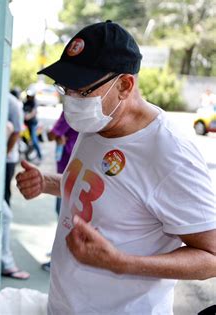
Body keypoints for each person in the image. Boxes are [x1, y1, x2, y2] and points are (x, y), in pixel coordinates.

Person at [15, 21, 216, 314]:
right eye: (65, 88)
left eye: (82, 91)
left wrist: (121, 262)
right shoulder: (96, 123)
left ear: (124, 85)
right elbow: (108, 189)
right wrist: (47, 182)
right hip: (63, 305)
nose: (70, 99)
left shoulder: (170, 154)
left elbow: (211, 256)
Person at [41, 111, 79, 271]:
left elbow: (52, 134)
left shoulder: (71, 112)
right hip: (78, 171)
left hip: (68, 171)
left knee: (66, 218)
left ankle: (63, 259)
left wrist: (55, 135)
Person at [1, 93, 30, 280]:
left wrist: (3, 154)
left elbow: (17, 131)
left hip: (6, 161)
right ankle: (5, 261)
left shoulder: (11, 102)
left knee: (4, 209)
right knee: (4, 212)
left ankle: (5, 260)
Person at [23, 90, 43, 161]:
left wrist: (28, 116)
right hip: (25, 125)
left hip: (32, 124)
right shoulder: (25, 103)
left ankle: (40, 156)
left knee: (34, 141)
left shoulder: (34, 103)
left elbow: (34, 112)